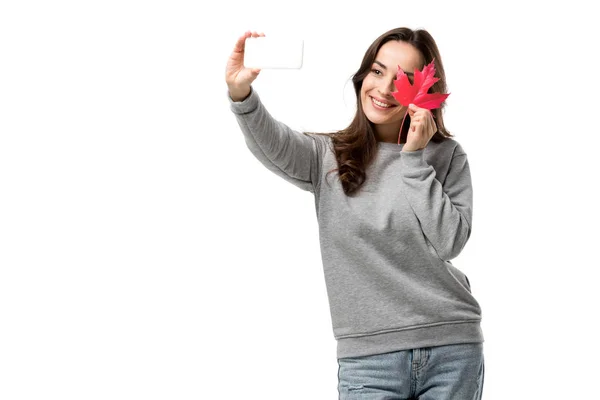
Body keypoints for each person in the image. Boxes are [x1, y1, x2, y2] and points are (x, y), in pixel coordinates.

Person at [225, 27, 485, 400]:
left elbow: (450, 241)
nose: (383, 88)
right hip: (368, 361)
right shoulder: (327, 156)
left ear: (426, 92)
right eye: (378, 72)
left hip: (451, 346)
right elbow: (273, 143)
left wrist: (413, 159)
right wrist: (241, 92)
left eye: (404, 80)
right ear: (363, 75)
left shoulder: (446, 156)